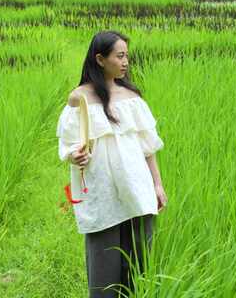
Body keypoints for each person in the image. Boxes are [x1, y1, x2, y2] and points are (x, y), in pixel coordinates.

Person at [56, 30, 168, 298]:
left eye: (127, 56)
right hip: (101, 190)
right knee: (104, 269)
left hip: (136, 187)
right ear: (100, 59)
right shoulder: (79, 99)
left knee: (139, 265)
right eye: (119, 56)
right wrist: (75, 155)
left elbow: (148, 148)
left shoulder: (132, 97)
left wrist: (157, 185)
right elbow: (68, 144)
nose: (126, 62)